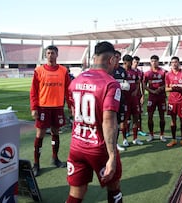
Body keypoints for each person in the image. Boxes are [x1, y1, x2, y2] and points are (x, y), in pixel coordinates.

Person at [66, 41, 123, 202]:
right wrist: (112, 156)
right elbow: (108, 121)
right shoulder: (111, 83)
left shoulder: (76, 80)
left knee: (76, 192)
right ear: (111, 60)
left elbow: (73, 112)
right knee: (114, 188)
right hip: (98, 148)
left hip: (76, 145)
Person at [30, 45, 71, 177]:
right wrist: (34, 108)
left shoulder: (64, 71)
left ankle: (55, 158)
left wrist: (71, 106)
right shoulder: (39, 71)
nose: (50, 55)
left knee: (55, 132)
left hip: (57, 107)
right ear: (45, 55)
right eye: (48, 53)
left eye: (52, 53)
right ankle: (36, 163)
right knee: (40, 134)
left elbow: (68, 90)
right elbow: (33, 92)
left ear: (57, 55)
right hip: (43, 107)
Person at [165, 56, 182, 148]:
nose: (174, 64)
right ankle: (173, 139)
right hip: (172, 101)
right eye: (172, 62)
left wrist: (179, 88)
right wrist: (172, 88)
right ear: (171, 64)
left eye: (176, 62)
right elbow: (166, 88)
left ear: (179, 63)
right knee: (173, 121)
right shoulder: (168, 74)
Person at [144, 55, 167, 142]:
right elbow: (143, 85)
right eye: (152, 61)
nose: (154, 62)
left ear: (158, 61)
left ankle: (162, 134)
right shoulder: (147, 73)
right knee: (150, 116)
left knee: (162, 116)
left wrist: (162, 88)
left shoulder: (163, 72)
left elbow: (168, 83)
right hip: (152, 97)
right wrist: (152, 91)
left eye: (155, 61)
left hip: (161, 97)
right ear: (150, 62)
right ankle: (151, 135)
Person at [122, 54, 143, 145]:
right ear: (125, 62)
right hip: (125, 99)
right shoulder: (120, 72)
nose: (131, 64)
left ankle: (135, 138)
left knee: (136, 118)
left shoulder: (134, 72)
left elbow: (138, 83)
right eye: (129, 62)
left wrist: (136, 91)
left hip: (134, 99)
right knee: (124, 120)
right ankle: (124, 139)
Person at [112, 50, 129, 151]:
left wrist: (124, 85)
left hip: (120, 100)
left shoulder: (122, 71)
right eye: (115, 56)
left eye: (118, 57)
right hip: (110, 101)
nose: (117, 58)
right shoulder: (108, 70)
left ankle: (115, 143)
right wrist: (120, 85)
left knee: (118, 123)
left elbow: (126, 85)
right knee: (109, 122)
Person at [132, 56, 147, 137]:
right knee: (128, 115)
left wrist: (143, 96)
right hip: (130, 96)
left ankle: (140, 129)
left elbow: (142, 84)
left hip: (138, 96)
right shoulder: (127, 71)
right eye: (134, 62)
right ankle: (127, 131)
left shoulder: (140, 72)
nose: (136, 64)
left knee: (139, 113)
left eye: (137, 62)